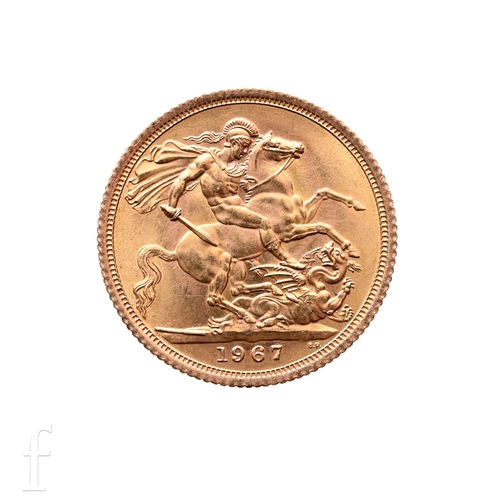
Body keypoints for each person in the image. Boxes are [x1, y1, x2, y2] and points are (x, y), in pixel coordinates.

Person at [163, 118, 305, 269]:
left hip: (239, 206)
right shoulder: (208, 161)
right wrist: (171, 206)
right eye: (244, 147)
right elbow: (182, 179)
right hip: (224, 210)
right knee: (263, 222)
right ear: (234, 143)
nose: (245, 152)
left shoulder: (235, 167)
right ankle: (286, 258)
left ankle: (254, 255)